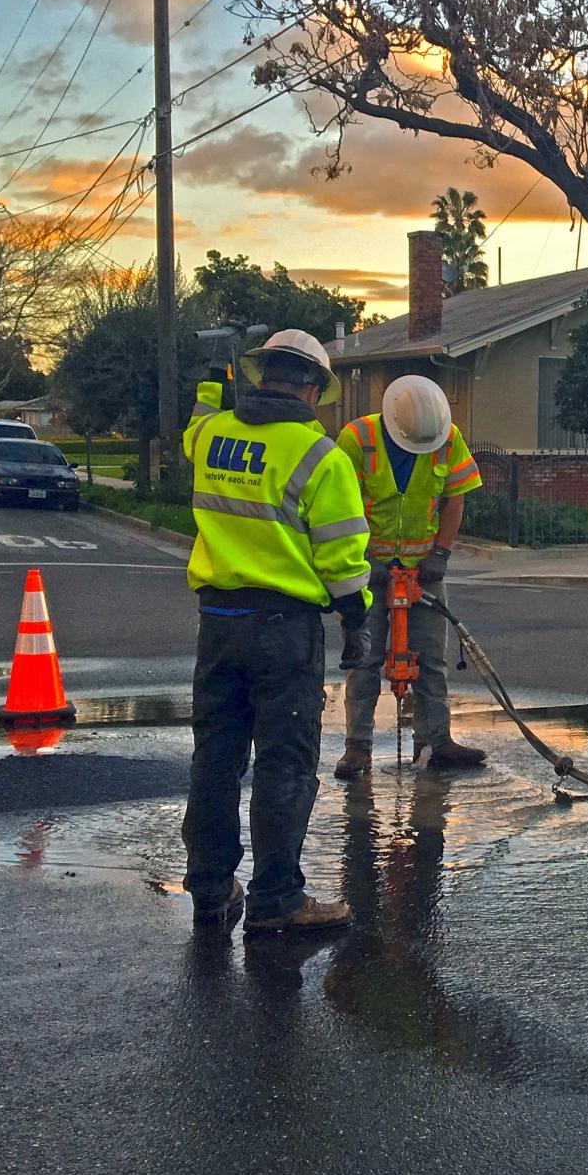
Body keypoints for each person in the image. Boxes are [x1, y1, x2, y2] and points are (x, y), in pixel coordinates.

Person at [182, 329, 374, 934]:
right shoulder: (321, 457)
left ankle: (211, 889)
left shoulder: (213, 435)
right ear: (315, 388)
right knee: (284, 765)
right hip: (284, 630)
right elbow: (343, 560)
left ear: (262, 374)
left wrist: (212, 378)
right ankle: (277, 899)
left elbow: (194, 429)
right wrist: (356, 620)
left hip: (218, 623)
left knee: (215, 758)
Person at [332, 374, 488, 779]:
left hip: (424, 570)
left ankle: (436, 742)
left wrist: (441, 551)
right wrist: (365, 558)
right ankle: (357, 749)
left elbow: (455, 497)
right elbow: (339, 505)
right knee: (365, 660)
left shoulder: (447, 437)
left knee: (430, 659)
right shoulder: (357, 438)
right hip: (370, 570)